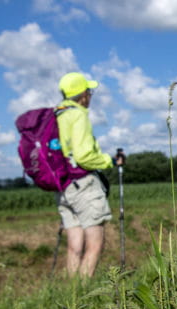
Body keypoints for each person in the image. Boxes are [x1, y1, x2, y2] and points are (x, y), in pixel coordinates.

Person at [55, 72, 123, 277]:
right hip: (84, 185)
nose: (90, 95)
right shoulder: (78, 115)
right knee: (95, 245)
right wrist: (109, 161)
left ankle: (71, 297)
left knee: (74, 246)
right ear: (83, 94)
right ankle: (85, 296)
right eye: (89, 91)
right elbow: (84, 155)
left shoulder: (58, 115)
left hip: (64, 187)